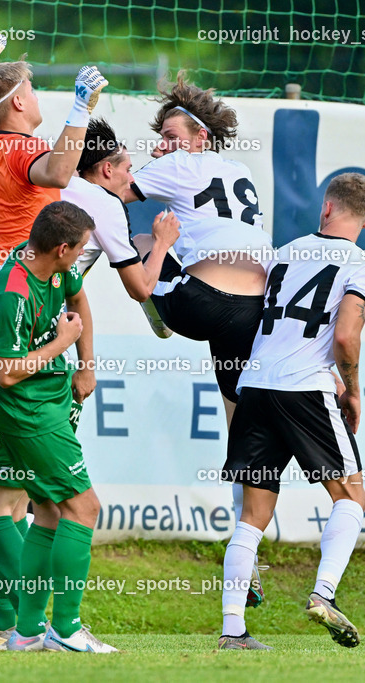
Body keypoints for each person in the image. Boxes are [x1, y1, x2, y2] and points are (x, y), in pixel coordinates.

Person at [0, 201, 113, 653]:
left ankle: (26, 630)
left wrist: (86, 365)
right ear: (60, 248)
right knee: (84, 508)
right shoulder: (13, 290)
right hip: (26, 411)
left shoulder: (49, 266)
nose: (81, 259)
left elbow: (78, 300)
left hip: (42, 402)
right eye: (79, 250)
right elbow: (10, 371)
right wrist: (64, 344)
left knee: (30, 509)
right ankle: (67, 630)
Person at [219, 173, 365, 650]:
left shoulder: (284, 252)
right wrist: (350, 389)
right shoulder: (360, 263)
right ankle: (324, 594)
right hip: (305, 388)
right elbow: (347, 337)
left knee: (252, 515)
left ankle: (233, 631)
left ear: (326, 208)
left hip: (255, 385)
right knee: (352, 497)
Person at [128, 70, 271, 604]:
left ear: (199, 139)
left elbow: (112, 187)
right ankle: (247, 556)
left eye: (172, 136)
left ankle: (155, 300)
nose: (162, 146)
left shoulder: (180, 165)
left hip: (201, 306)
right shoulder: (239, 171)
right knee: (243, 435)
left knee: (139, 234)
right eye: (161, 138)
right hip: (254, 312)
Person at [0, 33, 108, 271]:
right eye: (32, 91)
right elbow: (59, 175)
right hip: (18, 274)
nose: (36, 98)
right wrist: (81, 107)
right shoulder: (27, 148)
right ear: (18, 103)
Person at [62, 118, 180, 289]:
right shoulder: (109, 204)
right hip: (39, 305)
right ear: (108, 169)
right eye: (128, 170)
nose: (132, 179)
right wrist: (162, 243)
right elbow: (141, 289)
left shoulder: (63, 183)